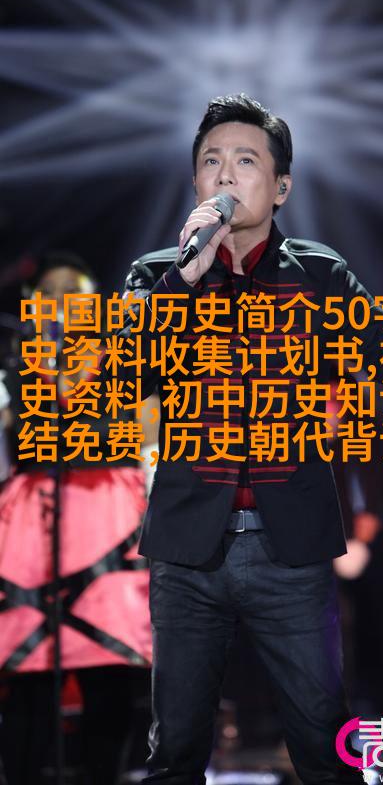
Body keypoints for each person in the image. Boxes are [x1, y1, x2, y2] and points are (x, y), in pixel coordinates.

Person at [114, 94, 383, 785]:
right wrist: (185, 277)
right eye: (211, 161)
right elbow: (122, 371)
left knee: (325, 744)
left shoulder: (319, 274)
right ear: (195, 183)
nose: (225, 174)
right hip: (187, 548)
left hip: (290, 546)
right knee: (176, 751)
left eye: (245, 161)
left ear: (281, 187)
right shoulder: (155, 276)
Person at [0, 252, 155, 785]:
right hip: (33, 524)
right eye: (51, 296)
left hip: (107, 517)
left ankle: (103, 776)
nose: (63, 306)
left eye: (75, 296)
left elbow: (152, 433)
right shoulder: (16, 367)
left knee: (109, 668)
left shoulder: (125, 360)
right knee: (28, 672)